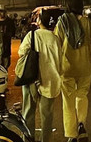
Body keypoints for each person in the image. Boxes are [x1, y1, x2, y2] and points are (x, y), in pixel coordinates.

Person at [54, 0, 91, 142]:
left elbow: (57, 46)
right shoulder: (87, 22)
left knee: (68, 101)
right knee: (82, 96)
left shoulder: (62, 23)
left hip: (66, 69)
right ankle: (81, 124)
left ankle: (72, 134)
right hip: (85, 67)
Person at [17, 9, 62, 142]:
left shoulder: (32, 35)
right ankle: (45, 139)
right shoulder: (55, 39)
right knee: (47, 114)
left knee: (28, 111)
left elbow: (21, 52)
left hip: (31, 78)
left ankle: (28, 138)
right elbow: (59, 61)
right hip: (50, 80)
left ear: (40, 21)